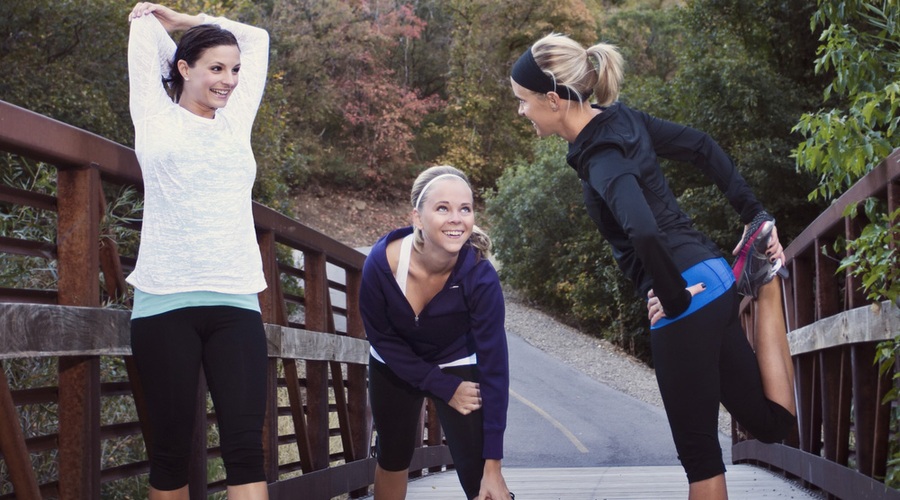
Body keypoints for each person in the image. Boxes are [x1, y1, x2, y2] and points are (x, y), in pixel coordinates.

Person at [510, 34, 796, 500]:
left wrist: (675, 296)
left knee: (702, 460)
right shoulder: (623, 120)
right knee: (771, 423)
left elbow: (643, 231)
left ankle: (754, 278)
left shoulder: (600, 156)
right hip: (718, 277)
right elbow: (701, 146)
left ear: (554, 100)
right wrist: (754, 214)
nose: (521, 112)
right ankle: (765, 285)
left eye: (523, 102)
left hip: (686, 298)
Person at [126, 3, 270, 498]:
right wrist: (160, 23)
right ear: (183, 70)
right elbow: (143, 31)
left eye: (233, 71)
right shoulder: (152, 113)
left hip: (235, 299)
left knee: (247, 450)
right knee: (169, 454)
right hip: (164, 300)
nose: (228, 80)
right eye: (215, 68)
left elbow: (258, 40)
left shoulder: (236, 120)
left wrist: (188, 20)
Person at [360, 165, 514, 500]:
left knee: (480, 473)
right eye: (442, 208)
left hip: (456, 358)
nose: (456, 218)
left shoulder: (480, 277)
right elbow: (382, 338)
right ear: (417, 217)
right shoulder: (381, 263)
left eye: (465, 209)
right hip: (394, 361)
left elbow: (495, 371)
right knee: (393, 454)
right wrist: (443, 387)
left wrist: (494, 467)